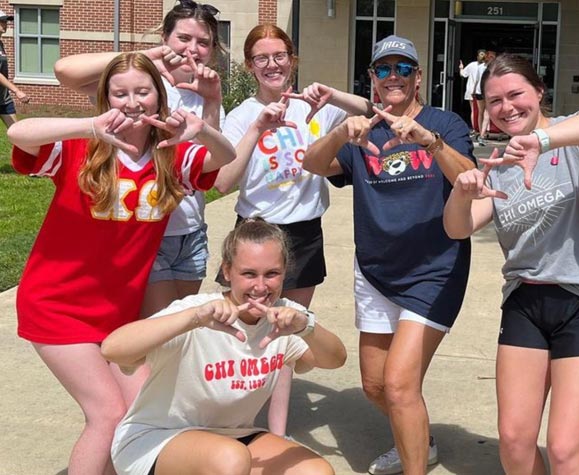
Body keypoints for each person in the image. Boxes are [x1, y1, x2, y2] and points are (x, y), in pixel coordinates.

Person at [9, 52, 235, 475]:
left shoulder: (171, 154)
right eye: (120, 93)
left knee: (139, 413)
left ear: (158, 96)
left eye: (142, 91)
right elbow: (20, 133)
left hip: (118, 315)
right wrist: (89, 125)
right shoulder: (82, 147)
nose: (132, 102)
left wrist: (202, 128)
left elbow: (225, 158)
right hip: (58, 305)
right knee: (107, 412)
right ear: (106, 98)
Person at [443, 53, 579, 475]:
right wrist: (462, 190)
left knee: (565, 451)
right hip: (526, 304)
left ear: (540, 92)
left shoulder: (573, 137)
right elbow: (458, 229)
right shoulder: (498, 162)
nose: (507, 108)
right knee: (513, 443)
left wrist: (544, 141)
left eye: (516, 95)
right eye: (495, 101)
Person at [303, 34, 476, 475]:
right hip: (376, 269)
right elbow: (314, 165)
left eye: (403, 68)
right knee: (375, 386)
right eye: (384, 69)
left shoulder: (445, 122)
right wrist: (342, 129)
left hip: (434, 270)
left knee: (400, 385)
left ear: (418, 77)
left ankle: (413, 464)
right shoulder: (364, 131)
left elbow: (469, 177)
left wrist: (429, 141)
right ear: (372, 80)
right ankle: (420, 440)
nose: (393, 76)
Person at [214, 23, 371, 436]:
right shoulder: (242, 115)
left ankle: (277, 431)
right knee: (238, 329)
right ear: (250, 66)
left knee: (286, 335)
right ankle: (231, 418)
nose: (272, 65)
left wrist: (332, 95)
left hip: (303, 234)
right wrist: (257, 130)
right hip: (254, 233)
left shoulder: (312, 108)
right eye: (261, 58)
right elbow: (222, 181)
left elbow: (369, 111)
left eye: (279, 56)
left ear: (292, 60)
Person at [101, 218, 347, 475]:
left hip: (233, 435)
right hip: (156, 439)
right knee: (229, 459)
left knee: (315, 471)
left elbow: (335, 359)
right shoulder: (200, 311)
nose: (261, 286)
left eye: (272, 274)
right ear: (227, 271)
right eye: (249, 274)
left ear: (285, 272)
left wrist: (305, 325)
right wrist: (194, 318)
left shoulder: (285, 316)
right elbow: (113, 349)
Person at [54, 0, 225, 322]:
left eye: (203, 42)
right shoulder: (134, 86)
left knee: (179, 331)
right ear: (165, 39)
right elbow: (65, 71)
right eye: (184, 38)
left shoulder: (205, 92)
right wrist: (143, 59)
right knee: (159, 326)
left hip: (189, 232)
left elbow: (211, 166)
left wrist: (212, 100)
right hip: (143, 228)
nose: (193, 49)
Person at [0, 10, 30, 127]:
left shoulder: (1, 44)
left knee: (17, 133)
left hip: (3, 98)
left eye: (5, 21)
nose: (5, 24)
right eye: (2, 21)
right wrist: (17, 90)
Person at [458, 50, 485, 135]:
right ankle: (482, 129)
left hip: (471, 90)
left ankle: (474, 128)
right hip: (481, 90)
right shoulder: (486, 66)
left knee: (473, 110)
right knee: (483, 111)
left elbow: (463, 74)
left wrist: (461, 68)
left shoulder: (472, 65)